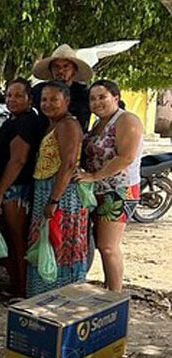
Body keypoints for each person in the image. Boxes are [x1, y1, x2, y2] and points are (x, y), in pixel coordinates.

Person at [76, 80, 143, 292]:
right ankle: (107, 290)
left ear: (116, 97)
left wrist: (94, 176)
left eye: (102, 97)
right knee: (100, 244)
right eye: (93, 99)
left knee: (108, 246)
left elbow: (126, 157)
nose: (97, 102)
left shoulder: (127, 120)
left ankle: (115, 297)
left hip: (119, 191)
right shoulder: (98, 123)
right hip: (99, 191)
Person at [26, 81, 88, 297]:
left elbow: (69, 164)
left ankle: (60, 298)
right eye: (44, 99)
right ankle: (43, 296)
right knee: (46, 244)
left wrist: (53, 200)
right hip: (47, 191)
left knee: (60, 245)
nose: (48, 104)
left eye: (54, 99)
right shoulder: (53, 124)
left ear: (67, 101)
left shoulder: (68, 125)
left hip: (61, 195)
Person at [0, 78, 43, 298]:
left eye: (19, 95)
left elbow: (18, 160)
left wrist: (0, 192)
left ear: (30, 99)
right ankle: (16, 286)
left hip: (15, 191)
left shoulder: (25, 122)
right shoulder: (16, 120)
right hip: (12, 189)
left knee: (17, 240)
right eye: (9, 95)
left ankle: (21, 290)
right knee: (12, 241)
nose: (12, 99)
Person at [0, 44, 93, 132]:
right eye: (56, 67)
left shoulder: (83, 94)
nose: (60, 71)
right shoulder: (39, 90)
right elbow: (18, 98)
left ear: (74, 70)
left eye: (66, 67)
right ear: (51, 70)